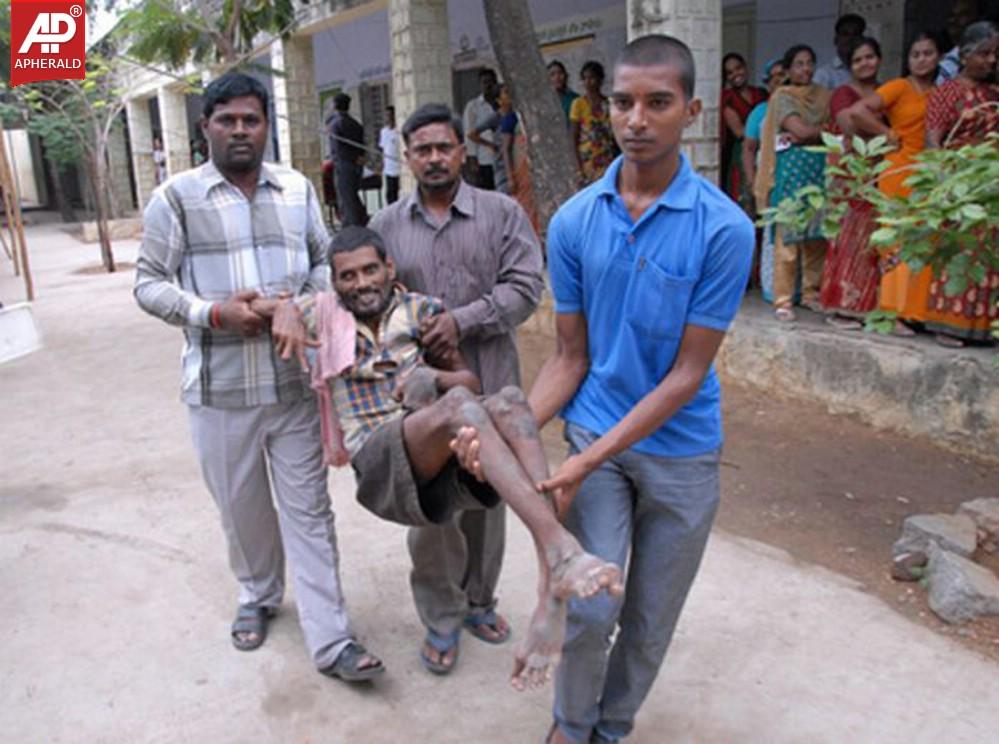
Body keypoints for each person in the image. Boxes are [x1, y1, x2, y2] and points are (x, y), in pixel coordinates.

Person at [267, 225, 624, 686]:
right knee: (459, 414)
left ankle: (551, 571)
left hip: (430, 443)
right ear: (333, 282)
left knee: (512, 399)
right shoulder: (321, 313)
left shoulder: (423, 311)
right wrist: (282, 309)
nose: (361, 284)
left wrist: (433, 378)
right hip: (378, 460)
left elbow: (468, 383)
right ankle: (558, 550)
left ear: (389, 269)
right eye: (348, 276)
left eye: (370, 270)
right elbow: (261, 306)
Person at [527, 34, 754, 744]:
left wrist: (583, 462)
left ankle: (612, 727)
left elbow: (686, 376)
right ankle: (569, 725)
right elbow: (569, 357)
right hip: (595, 430)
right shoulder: (571, 222)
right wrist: (512, 431)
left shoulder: (723, 227)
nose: (636, 119)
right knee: (592, 606)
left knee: (651, 617)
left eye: (657, 103)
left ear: (689, 109)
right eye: (623, 102)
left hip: (682, 453)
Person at [133, 72, 383, 683]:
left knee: (310, 514)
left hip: (294, 388)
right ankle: (258, 594)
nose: (240, 130)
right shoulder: (176, 198)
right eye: (227, 120)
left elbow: (330, 267)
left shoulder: (296, 190)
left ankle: (333, 640)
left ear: (266, 126)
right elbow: (148, 284)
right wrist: (214, 313)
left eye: (251, 120)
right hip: (219, 392)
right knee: (242, 512)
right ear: (206, 127)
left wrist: (296, 305)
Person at [369, 103, 545, 675]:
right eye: (422, 149)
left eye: (444, 146)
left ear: (462, 152)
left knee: (488, 503)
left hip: (492, 382)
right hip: (421, 402)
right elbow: (367, 299)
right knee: (432, 509)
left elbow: (525, 287)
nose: (435, 157)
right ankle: (441, 619)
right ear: (409, 156)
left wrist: (461, 321)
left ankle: (479, 602)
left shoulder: (501, 214)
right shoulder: (386, 227)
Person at [845, 31, 942, 337]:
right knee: (895, 243)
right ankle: (892, 313)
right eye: (916, 54)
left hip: (927, 174)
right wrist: (886, 134)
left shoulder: (940, 92)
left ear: (938, 57)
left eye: (928, 53)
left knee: (924, 240)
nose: (922, 59)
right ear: (907, 60)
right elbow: (857, 112)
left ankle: (917, 311)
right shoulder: (899, 87)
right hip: (899, 168)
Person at [923, 21, 999, 345]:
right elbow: (933, 140)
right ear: (966, 55)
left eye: (996, 54)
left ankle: (984, 325)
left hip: (990, 185)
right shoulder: (947, 93)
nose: (991, 61)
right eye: (984, 53)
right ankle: (949, 323)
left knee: (988, 255)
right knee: (959, 251)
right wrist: (944, 186)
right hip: (959, 184)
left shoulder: (994, 94)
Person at [755, 44, 831, 321]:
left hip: (818, 171)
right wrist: (817, 133)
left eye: (810, 63)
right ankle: (783, 299)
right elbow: (797, 130)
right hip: (790, 173)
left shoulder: (824, 96)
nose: (806, 69)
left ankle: (811, 294)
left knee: (816, 236)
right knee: (788, 236)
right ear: (788, 70)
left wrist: (814, 134)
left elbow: (830, 131)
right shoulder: (783, 97)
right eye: (799, 64)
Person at [819, 36, 885, 329]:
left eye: (869, 57)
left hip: (882, 171)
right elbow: (849, 125)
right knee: (848, 237)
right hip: (852, 172)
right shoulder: (843, 94)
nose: (865, 63)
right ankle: (840, 307)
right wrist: (886, 135)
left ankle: (871, 305)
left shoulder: (886, 91)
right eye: (858, 60)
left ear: (879, 59)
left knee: (875, 238)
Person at [743, 59, 786, 298]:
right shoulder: (760, 112)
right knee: (770, 234)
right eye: (775, 77)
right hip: (767, 178)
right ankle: (771, 288)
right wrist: (752, 180)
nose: (779, 81)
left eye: (783, 75)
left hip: (794, 177)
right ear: (768, 83)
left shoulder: (798, 108)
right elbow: (749, 148)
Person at [720, 52, 768, 212]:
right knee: (745, 198)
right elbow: (739, 131)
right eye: (730, 72)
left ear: (746, 68)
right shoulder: (728, 99)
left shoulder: (760, 94)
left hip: (765, 150)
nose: (736, 74)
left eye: (738, 68)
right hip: (743, 153)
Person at [570, 60, 618, 185]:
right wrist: (579, 168)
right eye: (585, 78)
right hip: (587, 160)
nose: (588, 82)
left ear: (600, 80)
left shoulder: (609, 104)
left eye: (592, 78)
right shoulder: (578, 104)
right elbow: (574, 137)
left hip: (607, 157)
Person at [327, 92, 368, 226]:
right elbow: (361, 145)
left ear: (335, 105)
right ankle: (363, 221)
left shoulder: (335, 124)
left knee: (345, 199)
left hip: (343, 164)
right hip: (356, 165)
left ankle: (351, 228)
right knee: (352, 196)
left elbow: (337, 148)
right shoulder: (355, 124)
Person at [464, 68, 500, 190]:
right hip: (484, 159)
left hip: (502, 160)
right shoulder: (473, 106)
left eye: (491, 82)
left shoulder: (503, 104)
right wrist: (472, 159)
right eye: (485, 82)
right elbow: (469, 134)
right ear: (480, 85)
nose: (489, 85)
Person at [814, 13, 867, 90]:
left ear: (862, 40)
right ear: (836, 40)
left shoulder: (867, 70)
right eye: (845, 34)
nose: (851, 39)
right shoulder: (824, 75)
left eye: (856, 34)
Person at [937, 0, 985, 84]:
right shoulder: (942, 63)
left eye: (963, 14)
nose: (954, 20)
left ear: (977, 18)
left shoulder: (990, 59)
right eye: (951, 15)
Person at [379, 105, 401, 204]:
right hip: (388, 167)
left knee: (397, 192)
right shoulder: (383, 132)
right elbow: (383, 149)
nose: (389, 117)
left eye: (391, 115)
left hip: (398, 167)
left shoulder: (398, 131)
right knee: (389, 194)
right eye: (387, 115)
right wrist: (382, 165)